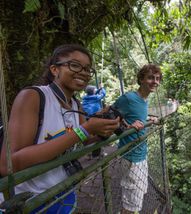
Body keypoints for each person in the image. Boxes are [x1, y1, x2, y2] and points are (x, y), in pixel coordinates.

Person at [0, 44, 120, 213]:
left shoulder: (75, 104)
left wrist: (103, 132)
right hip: (29, 202)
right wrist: (84, 129)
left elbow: (84, 140)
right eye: (75, 65)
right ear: (55, 69)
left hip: (63, 193)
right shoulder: (33, 96)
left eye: (87, 69)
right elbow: (7, 165)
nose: (84, 72)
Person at [113, 64, 162, 214]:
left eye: (158, 79)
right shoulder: (129, 98)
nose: (155, 82)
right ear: (141, 79)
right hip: (132, 157)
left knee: (137, 195)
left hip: (140, 154)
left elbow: (134, 117)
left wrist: (148, 119)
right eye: (150, 78)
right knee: (131, 203)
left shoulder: (144, 100)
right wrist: (127, 126)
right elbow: (109, 118)